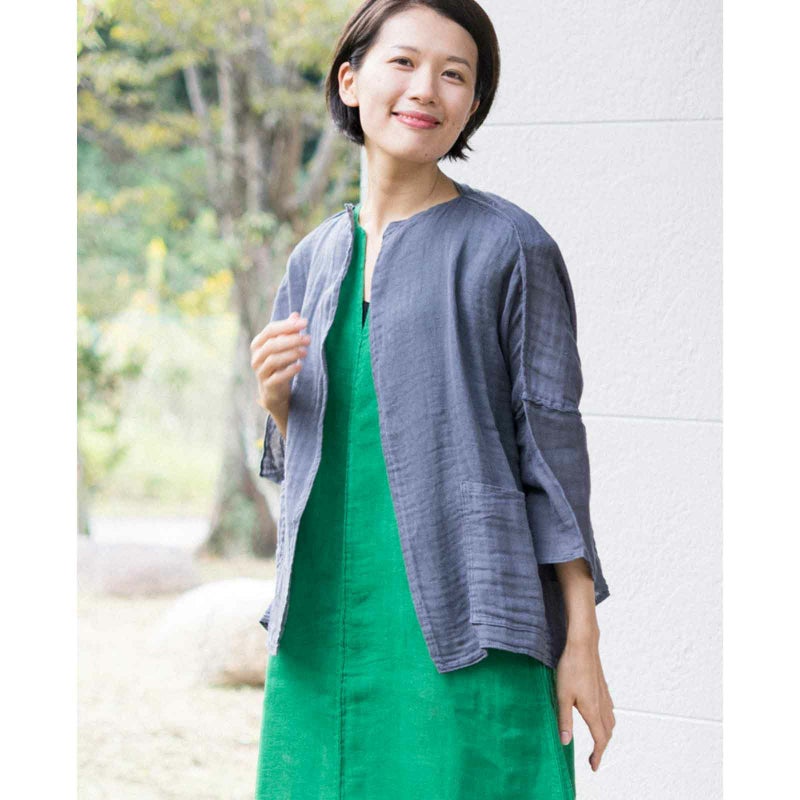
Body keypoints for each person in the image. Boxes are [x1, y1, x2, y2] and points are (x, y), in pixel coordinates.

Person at [249, 1, 615, 797]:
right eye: (404, 62)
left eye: (455, 75)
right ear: (351, 81)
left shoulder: (511, 246)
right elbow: (313, 453)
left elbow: (553, 454)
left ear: (473, 104)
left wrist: (581, 638)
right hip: (326, 626)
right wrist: (278, 401)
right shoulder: (314, 259)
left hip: (473, 622)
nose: (426, 89)